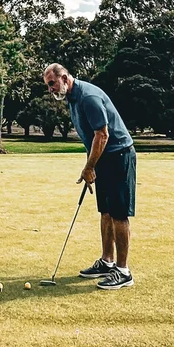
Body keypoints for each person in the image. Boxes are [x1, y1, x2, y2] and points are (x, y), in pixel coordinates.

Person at [42, 63, 136, 290]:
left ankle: (123, 272)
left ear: (64, 77)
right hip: (104, 159)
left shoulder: (88, 97)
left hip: (119, 156)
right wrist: (91, 166)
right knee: (105, 211)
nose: (51, 90)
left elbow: (102, 135)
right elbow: (90, 138)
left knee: (118, 214)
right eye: (48, 86)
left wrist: (88, 167)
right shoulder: (73, 99)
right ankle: (107, 262)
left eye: (52, 84)